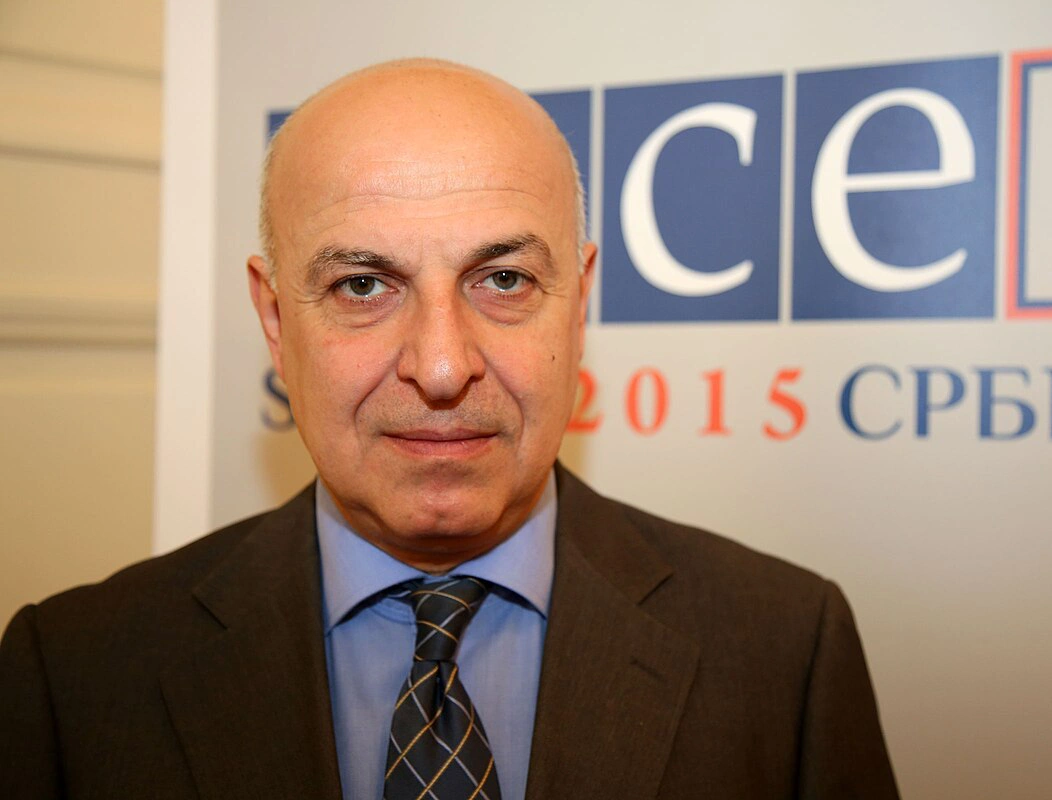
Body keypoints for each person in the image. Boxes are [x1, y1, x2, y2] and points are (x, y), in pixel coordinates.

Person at [0, 60, 899, 799]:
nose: (440, 367)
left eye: (503, 280)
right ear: (274, 319)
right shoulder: (72, 676)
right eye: (363, 286)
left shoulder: (786, 649)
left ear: (579, 302)